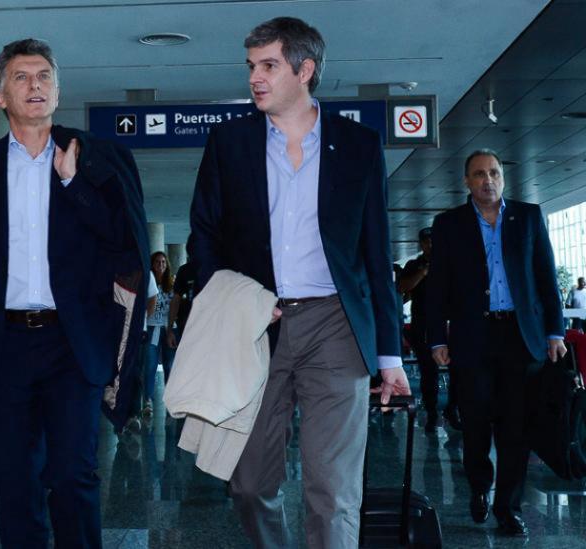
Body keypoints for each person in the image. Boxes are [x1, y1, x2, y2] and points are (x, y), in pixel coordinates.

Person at [189, 17, 410, 547]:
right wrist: (232, 302)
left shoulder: (358, 146)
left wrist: (390, 355)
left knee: (333, 491)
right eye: (251, 66)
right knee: (248, 484)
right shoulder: (229, 143)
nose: (255, 77)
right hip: (254, 325)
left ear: (304, 70)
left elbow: (375, 255)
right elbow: (205, 237)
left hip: (335, 325)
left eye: (269, 65)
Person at [0, 38, 147, 548]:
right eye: (21, 77)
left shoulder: (100, 158)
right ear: (0, 96)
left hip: (72, 343)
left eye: (44, 77)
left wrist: (74, 185)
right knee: (15, 481)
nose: (34, 85)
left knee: (74, 475)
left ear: (57, 92)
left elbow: (125, 246)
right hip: (3, 345)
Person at [427, 149, 566, 537]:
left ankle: (509, 507)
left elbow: (545, 277)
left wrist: (554, 332)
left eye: (494, 173)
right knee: (475, 421)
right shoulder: (449, 224)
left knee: (516, 427)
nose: (487, 180)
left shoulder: (528, 217)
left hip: (520, 337)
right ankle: (479, 485)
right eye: (479, 174)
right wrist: (436, 338)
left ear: (503, 178)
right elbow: (437, 286)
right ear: (467, 181)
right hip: (474, 336)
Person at [398, 227, 461, 432]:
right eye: (426, 241)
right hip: (423, 324)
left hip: (450, 323)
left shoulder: (450, 262)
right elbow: (403, 288)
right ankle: (432, 412)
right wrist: (424, 272)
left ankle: (452, 409)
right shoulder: (414, 265)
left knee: (457, 368)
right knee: (428, 370)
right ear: (421, 244)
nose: (430, 245)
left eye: (434, 241)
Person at [143, 251, 175, 414]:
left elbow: (175, 307)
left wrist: (170, 330)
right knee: (150, 365)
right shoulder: (148, 282)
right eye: (157, 262)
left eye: (163, 262)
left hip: (169, 328)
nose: (160, 265)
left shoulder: (172, 284)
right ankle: (147, 400)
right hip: (152, 327)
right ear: (152, 264)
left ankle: (171, 400)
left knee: (170, 365)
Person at [166, 234, 198, 350]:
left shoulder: (216, 269)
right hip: (188, 325)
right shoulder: (185, 270)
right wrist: (170, 329)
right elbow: (176, 300)